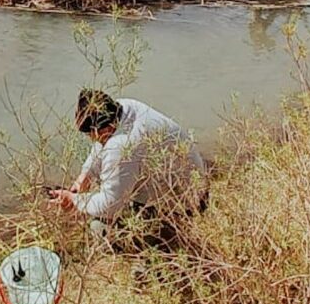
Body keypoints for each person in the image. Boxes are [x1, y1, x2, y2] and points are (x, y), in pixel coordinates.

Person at [49, 89, 207, 250]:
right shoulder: (123, 108)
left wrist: (74, 200)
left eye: (90, 134)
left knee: (98, 228)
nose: (90, 138)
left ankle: (160, 243)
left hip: (182, 205)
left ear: (104, 130)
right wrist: (86, 175)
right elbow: (102, 144)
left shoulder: (122, 146)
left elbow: (109, 205)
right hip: (191, 181)